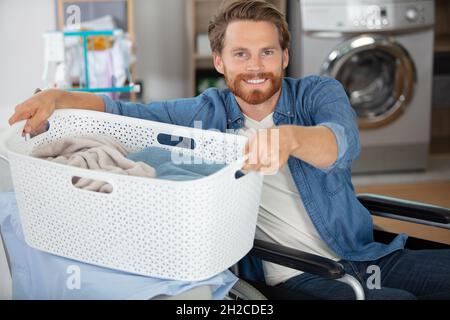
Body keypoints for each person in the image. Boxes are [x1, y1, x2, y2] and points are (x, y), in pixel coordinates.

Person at [8, 0, 450, 299]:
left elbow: (342, 141)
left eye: (266, 53)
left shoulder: (318, 93)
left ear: (284, 56)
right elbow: (125, 112)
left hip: (365, 252)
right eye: (240, 54)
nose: (255, 67)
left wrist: (290, 139)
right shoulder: (205, 112)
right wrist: (58, 97)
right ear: (219, 62)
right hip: (295, 273)